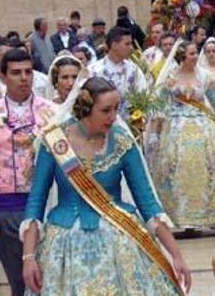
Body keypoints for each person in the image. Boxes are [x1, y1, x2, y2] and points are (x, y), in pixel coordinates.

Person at [21, 77, 191, 295]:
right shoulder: (55, 141)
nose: (113, 117)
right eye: (106, 110)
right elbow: (35, 202)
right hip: (65, 246)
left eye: (116, 109)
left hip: (120, 241)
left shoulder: (122, 142)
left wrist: (176, 255)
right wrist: (28, 258)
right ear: (86, 109)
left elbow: (148, 204)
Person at [0, 48, 57, 296]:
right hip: (7, 209)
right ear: (3, 77)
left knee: (53, 279)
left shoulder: (54, 115)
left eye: (28, 72)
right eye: (16, 73)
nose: (24, 78)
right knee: (20, 281)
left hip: (51, 208)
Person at [150, 41, 215, 230]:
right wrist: (155, 134)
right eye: (192, 53)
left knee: (213, 163)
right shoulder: (170, 78)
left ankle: (212, 215)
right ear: (182, 57)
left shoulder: (204, 76)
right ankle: (184, 217)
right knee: (178, 166)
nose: (196, 56)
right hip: (176, 126)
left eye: (196, 52)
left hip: (203, 123)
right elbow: (159, 107)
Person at [88, 27, 148, 120]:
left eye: (131, 43)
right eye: (127, 44)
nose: (131, 48)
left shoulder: (134, 70)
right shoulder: (94, 70)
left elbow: (143, 97)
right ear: (114, 45)